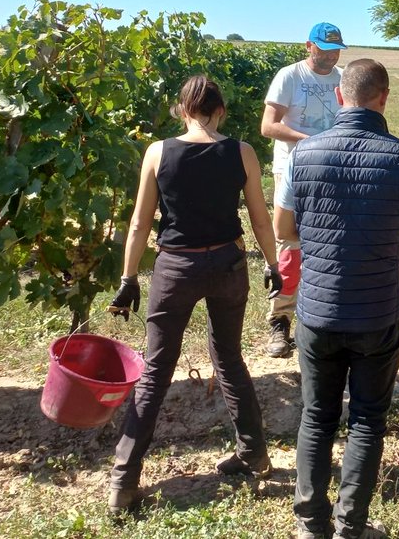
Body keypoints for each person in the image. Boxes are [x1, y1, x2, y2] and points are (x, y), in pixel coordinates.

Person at [273, 59, 399, 539]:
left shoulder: (304, 154)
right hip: (376, 311)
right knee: (369, 419)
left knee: (316, 417)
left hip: (318, 309)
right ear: (384, 98)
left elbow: (282, 230)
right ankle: (351, 525)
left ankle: (310, 524)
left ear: (339, 97)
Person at [107, 75, 282, 515]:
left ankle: (124, 481)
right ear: (220, 110)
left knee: (156, 370)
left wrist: (129, 279)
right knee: (230, 359)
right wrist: (273, 264)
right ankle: (254, 453)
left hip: (176, 268)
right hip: (228, 263)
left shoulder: (158, 152)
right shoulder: (241, 152)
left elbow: (139, 223)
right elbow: (260, 218)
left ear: (183, 110)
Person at [260, 22, 347, 357]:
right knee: (290, 245)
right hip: (293, 170)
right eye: (324, 49)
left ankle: (323, 317)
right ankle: (280, 320)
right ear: (308, 45)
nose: (330, 56)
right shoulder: (290, 77)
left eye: (336, 50)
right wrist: (310, 141)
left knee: (330, 242)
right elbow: (268, 126)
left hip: (332, 171)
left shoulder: (342, 78)